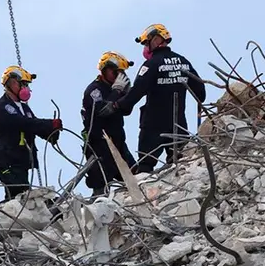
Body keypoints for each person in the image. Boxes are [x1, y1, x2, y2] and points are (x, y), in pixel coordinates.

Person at [101, 24, 207, 173]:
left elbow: (136, 93)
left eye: (146, 43)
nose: (145, 47)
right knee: (182, 164)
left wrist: (116, 105)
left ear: (157, 40)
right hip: (179, 125)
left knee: (145, 167)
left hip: (153, 126)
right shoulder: (183, 62)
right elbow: (200, 92)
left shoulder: (151, 65)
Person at [0, 66, 63, 200]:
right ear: (12, 82)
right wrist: (49, 124)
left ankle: (7, 218)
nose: (26, 88)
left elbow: (34, 125)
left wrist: (51, 133)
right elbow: (23, 123)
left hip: (20, 161)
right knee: (21, 195)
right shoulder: (3, 107)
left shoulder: (24, 108)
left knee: (15, 198)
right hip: (7, 161)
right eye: (23, 84)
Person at [80, 51, 139, 196]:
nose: (119, 76)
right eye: (116, 72)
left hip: (118, 143)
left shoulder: (115, 89)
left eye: (122, 73)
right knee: (100, 187)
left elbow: (126, 110)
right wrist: (116, 92)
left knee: (135, 177)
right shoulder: (94, 90)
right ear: (105, 70)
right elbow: (101, 111)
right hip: (99, 146)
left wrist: (127, 94)